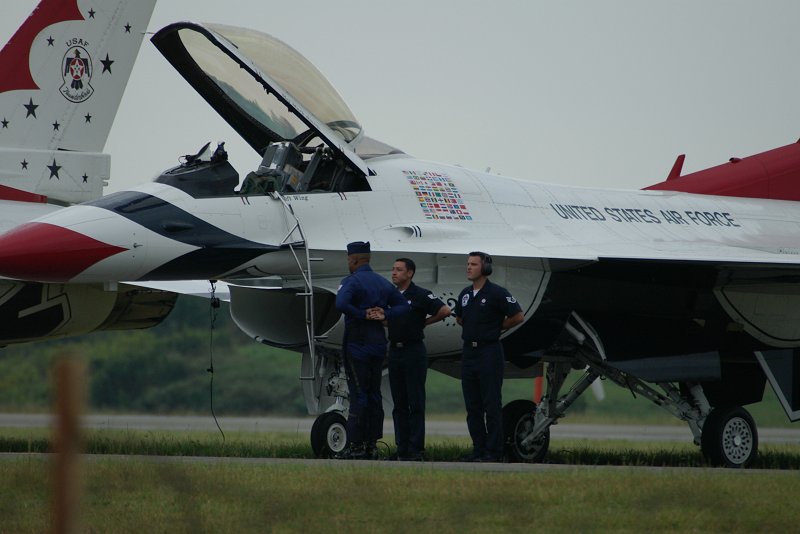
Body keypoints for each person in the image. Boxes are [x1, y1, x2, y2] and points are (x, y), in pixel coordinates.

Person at [334, 241, 409, 460]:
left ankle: (355, 445)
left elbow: (341, 304)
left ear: (353, 260)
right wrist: (385, 314)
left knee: (359, 394)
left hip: (357, 344)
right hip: (378, 345)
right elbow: (403, 306)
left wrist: (362, 314)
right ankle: (371, 444)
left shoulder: (352, 281)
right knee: (375, 394)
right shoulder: (382, 283)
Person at [453, 251, 524, 462]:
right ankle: (478, 450)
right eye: (468, 264)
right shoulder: (465, 294)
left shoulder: (497, 293)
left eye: (473, 264)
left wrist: (496, 327)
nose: (468, 267)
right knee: (472, 406)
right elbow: (459, 318)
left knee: (491, 405)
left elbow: (518, 315)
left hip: (489, 352)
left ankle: (493, 452)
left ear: (485, 268)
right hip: (469, 353)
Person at [386, 258, 451, 461]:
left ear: (410, 273)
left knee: (415, 401)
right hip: (394, 351)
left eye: (399, 270)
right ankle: (401, 447)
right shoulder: (390, 296)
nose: (394, 273)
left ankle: (416, 449)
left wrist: (423, 322)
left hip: (413, 351)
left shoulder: (420, 294)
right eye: (393, 269)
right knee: (399, 403)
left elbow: (444, 310)